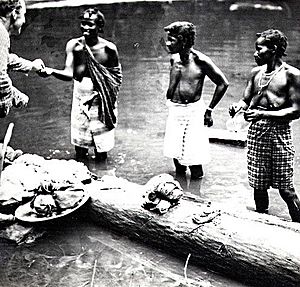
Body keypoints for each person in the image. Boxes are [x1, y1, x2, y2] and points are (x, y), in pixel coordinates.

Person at [229, 29, 300, 222]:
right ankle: (261, 225)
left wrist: (263, 113)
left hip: (279, 133)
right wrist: (238, 107)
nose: (255, 53)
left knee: (286, 188)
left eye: (259, 49)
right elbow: (246, 99)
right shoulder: (255, 73)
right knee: (258, 185)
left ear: (273, 49)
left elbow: (296, 111)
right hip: (256, 134)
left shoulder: (291, 75)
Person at [38, 8, 122, 161]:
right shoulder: (74, 45)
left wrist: (101, 97)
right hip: (80, 98)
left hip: (101, 100)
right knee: (80, 145)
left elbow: (115, 80)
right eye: (83, 23)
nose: (85, 28)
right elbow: (70, 74)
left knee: (101, 149)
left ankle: (102, 175)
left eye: (90, 24)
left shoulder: (109, 49)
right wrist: (50, 71)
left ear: (100, 27)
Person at [163, 21, 228, 179]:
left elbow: (222, 83)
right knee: (176, 155)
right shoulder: (174, 59)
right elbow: (171, 91)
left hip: (193, 111)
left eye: (172, 40)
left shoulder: (201, 60)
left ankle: (195, 195)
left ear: (183, 41)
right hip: (175, 110)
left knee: (194, 159)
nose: (167, 43)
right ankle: (181, 192)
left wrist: (209, 110)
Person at [0, 0, 45, 118]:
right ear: (14, 14)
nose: (25, 20)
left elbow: (6, 59)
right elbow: (1, 78)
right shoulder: (1, 35)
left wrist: (31, 66)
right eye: (24, 14)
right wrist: (10, 100)